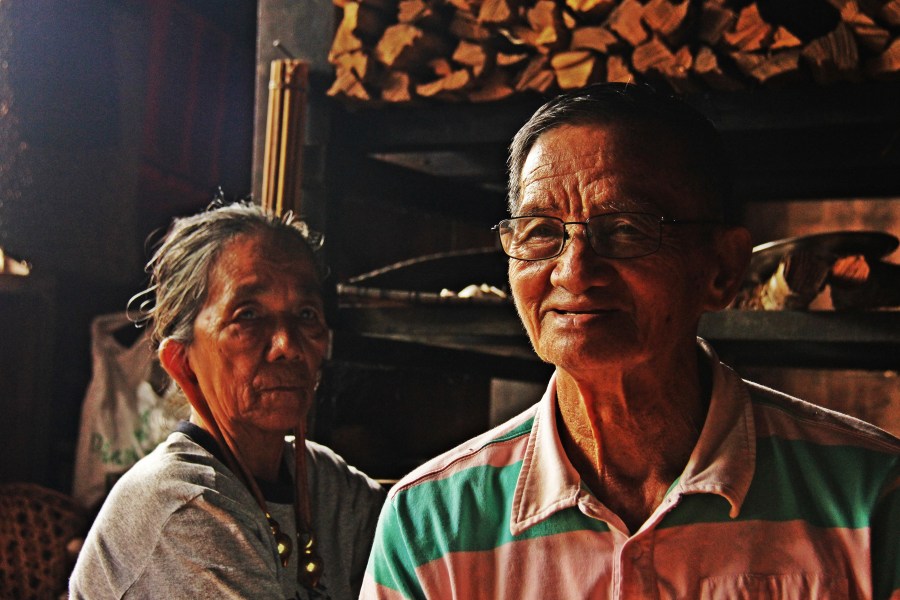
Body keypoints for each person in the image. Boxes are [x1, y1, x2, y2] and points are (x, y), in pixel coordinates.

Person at [361, 83, 900, 599]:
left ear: (722, 268)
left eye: (624, 229)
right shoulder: (430, 522)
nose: (573, 270)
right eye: (541, 231)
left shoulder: (872, 497)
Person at [70, 201, 386, 600]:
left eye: (306, 314)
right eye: (248, 315)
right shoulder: (182, 507)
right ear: (181, 362)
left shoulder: (326, 484)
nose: (288, 345)